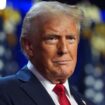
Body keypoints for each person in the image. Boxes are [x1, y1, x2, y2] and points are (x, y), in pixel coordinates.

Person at [0, 1, 95, 105]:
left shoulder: (88, 103)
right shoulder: (4, 92)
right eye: (52, 38)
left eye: (70, 38)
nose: (64, 49)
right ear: (28, 46)